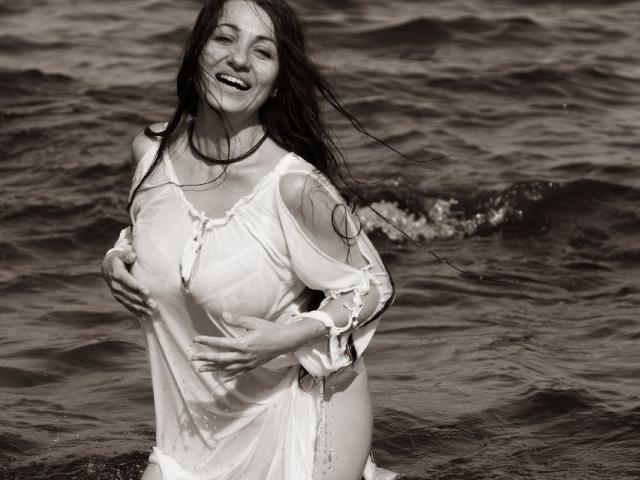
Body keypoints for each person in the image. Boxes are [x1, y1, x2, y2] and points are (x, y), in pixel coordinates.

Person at [101, 1, 396, 479]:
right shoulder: (150, 154)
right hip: (189, 440)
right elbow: (154, 229)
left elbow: (373, 286)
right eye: (224, 38)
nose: (239, 59)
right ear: (197, 50)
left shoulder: (295, 187)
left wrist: (286, 336)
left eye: (263, 52)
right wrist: (117, 256)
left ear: (276, 82)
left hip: (301, 417)